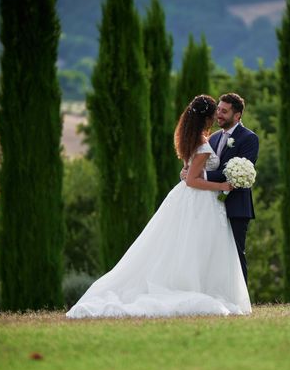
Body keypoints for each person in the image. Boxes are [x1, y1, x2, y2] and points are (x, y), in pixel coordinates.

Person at [66, 95, 251, 318]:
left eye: (223, 112)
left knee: (190, 245)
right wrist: (221, 184)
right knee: (197, 245)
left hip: (191, 198)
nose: (217, 117)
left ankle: (197, 285)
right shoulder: (203, 143)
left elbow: (189, 174)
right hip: (200, 199)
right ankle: (195, 288)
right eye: (215, 113)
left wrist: (189, 174)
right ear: (207, 117)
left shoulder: (193, 138)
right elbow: (193, 179)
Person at [182, 93, 259, 284]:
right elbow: (197, 165)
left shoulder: (249, 138)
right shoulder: (213, 138)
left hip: (236, 205)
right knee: (214, 255)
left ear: (238, 115)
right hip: (210, 205)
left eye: (225, 111)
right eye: (218, 110)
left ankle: (241, 300)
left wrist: (200, 176)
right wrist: (186, 174)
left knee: (235, 253)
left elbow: (239, 172)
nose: (219, 115)